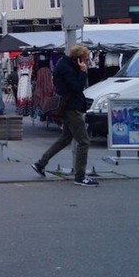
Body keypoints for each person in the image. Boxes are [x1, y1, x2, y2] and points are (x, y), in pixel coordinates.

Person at [31, 45, 99, 187]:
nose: (86, 62)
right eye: (85, 59)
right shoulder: (67, 68)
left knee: (65, 139)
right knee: (84, 141)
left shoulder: (63, 64)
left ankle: (41, 163)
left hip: (67, 107)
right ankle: (80, 176)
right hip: (71, 109)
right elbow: (77, 87)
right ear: (78, 59)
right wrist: (83, 72)